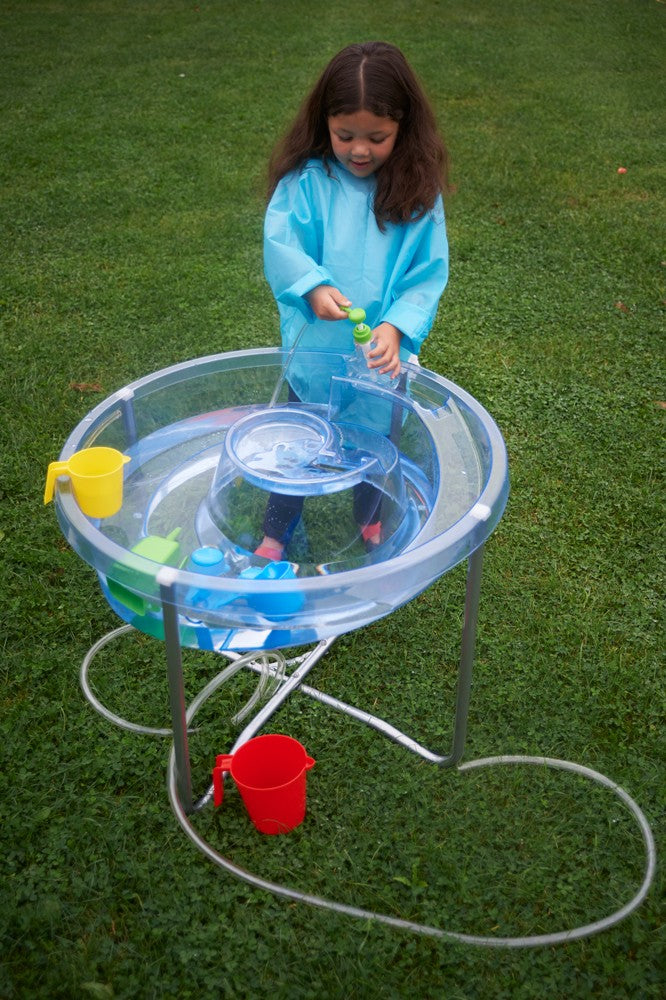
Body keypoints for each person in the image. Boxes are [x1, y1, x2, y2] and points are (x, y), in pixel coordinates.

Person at [255, 40, 450, 561]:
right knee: (299, 442)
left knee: (375, 447)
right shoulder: (308, 182)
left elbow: (425, 274)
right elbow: (282, 243)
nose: (359, 150)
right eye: (345, 136)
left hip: (379, 363)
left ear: (404, 129)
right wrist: (311, 286)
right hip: (315, 352)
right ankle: (276, 532)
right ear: (325, 124)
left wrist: (396, 327)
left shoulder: (417, 193)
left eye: (377, 138)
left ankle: (371, 521)